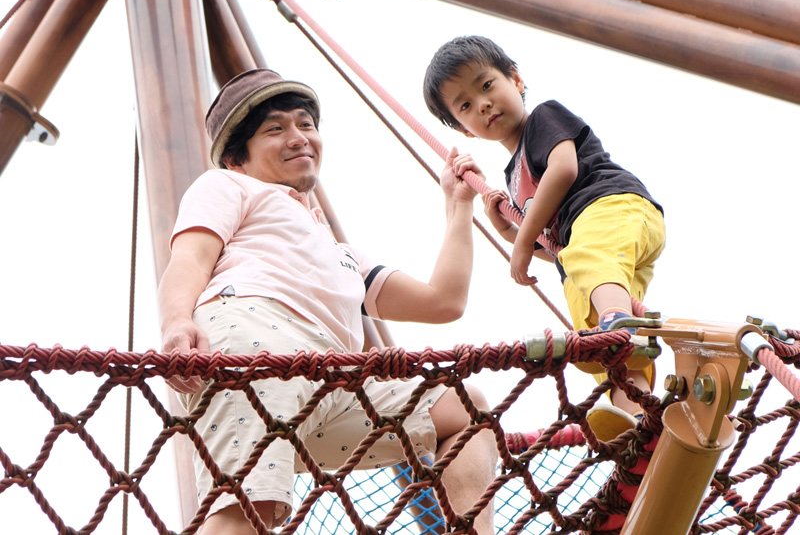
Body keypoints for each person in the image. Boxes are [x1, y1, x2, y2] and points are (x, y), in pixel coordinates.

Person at [158, 68, 497, 534]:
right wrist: (178, 322)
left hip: (333, 382)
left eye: (306, 124)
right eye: (275, 129)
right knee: (246, 508)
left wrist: (459, 207)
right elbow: (190, 258)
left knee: (465, 407)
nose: (298, 137)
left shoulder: (337, 253)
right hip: (254, 343)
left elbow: (443, 301)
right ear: (236, 158)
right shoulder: (229, 187)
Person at [423, 35, 666, 441]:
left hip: (612, 207)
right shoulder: (512, 177)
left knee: (598, 288)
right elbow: (559, 251)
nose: (482, 104)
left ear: (515, 79)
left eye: (486, 86)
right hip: (596, 242)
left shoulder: (543, 118)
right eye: (465, 105)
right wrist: (510, 230)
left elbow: (564, 170)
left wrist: (521, 241)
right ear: (463, 129)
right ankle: (638, 415)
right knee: (591, 329)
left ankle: (618, 324)